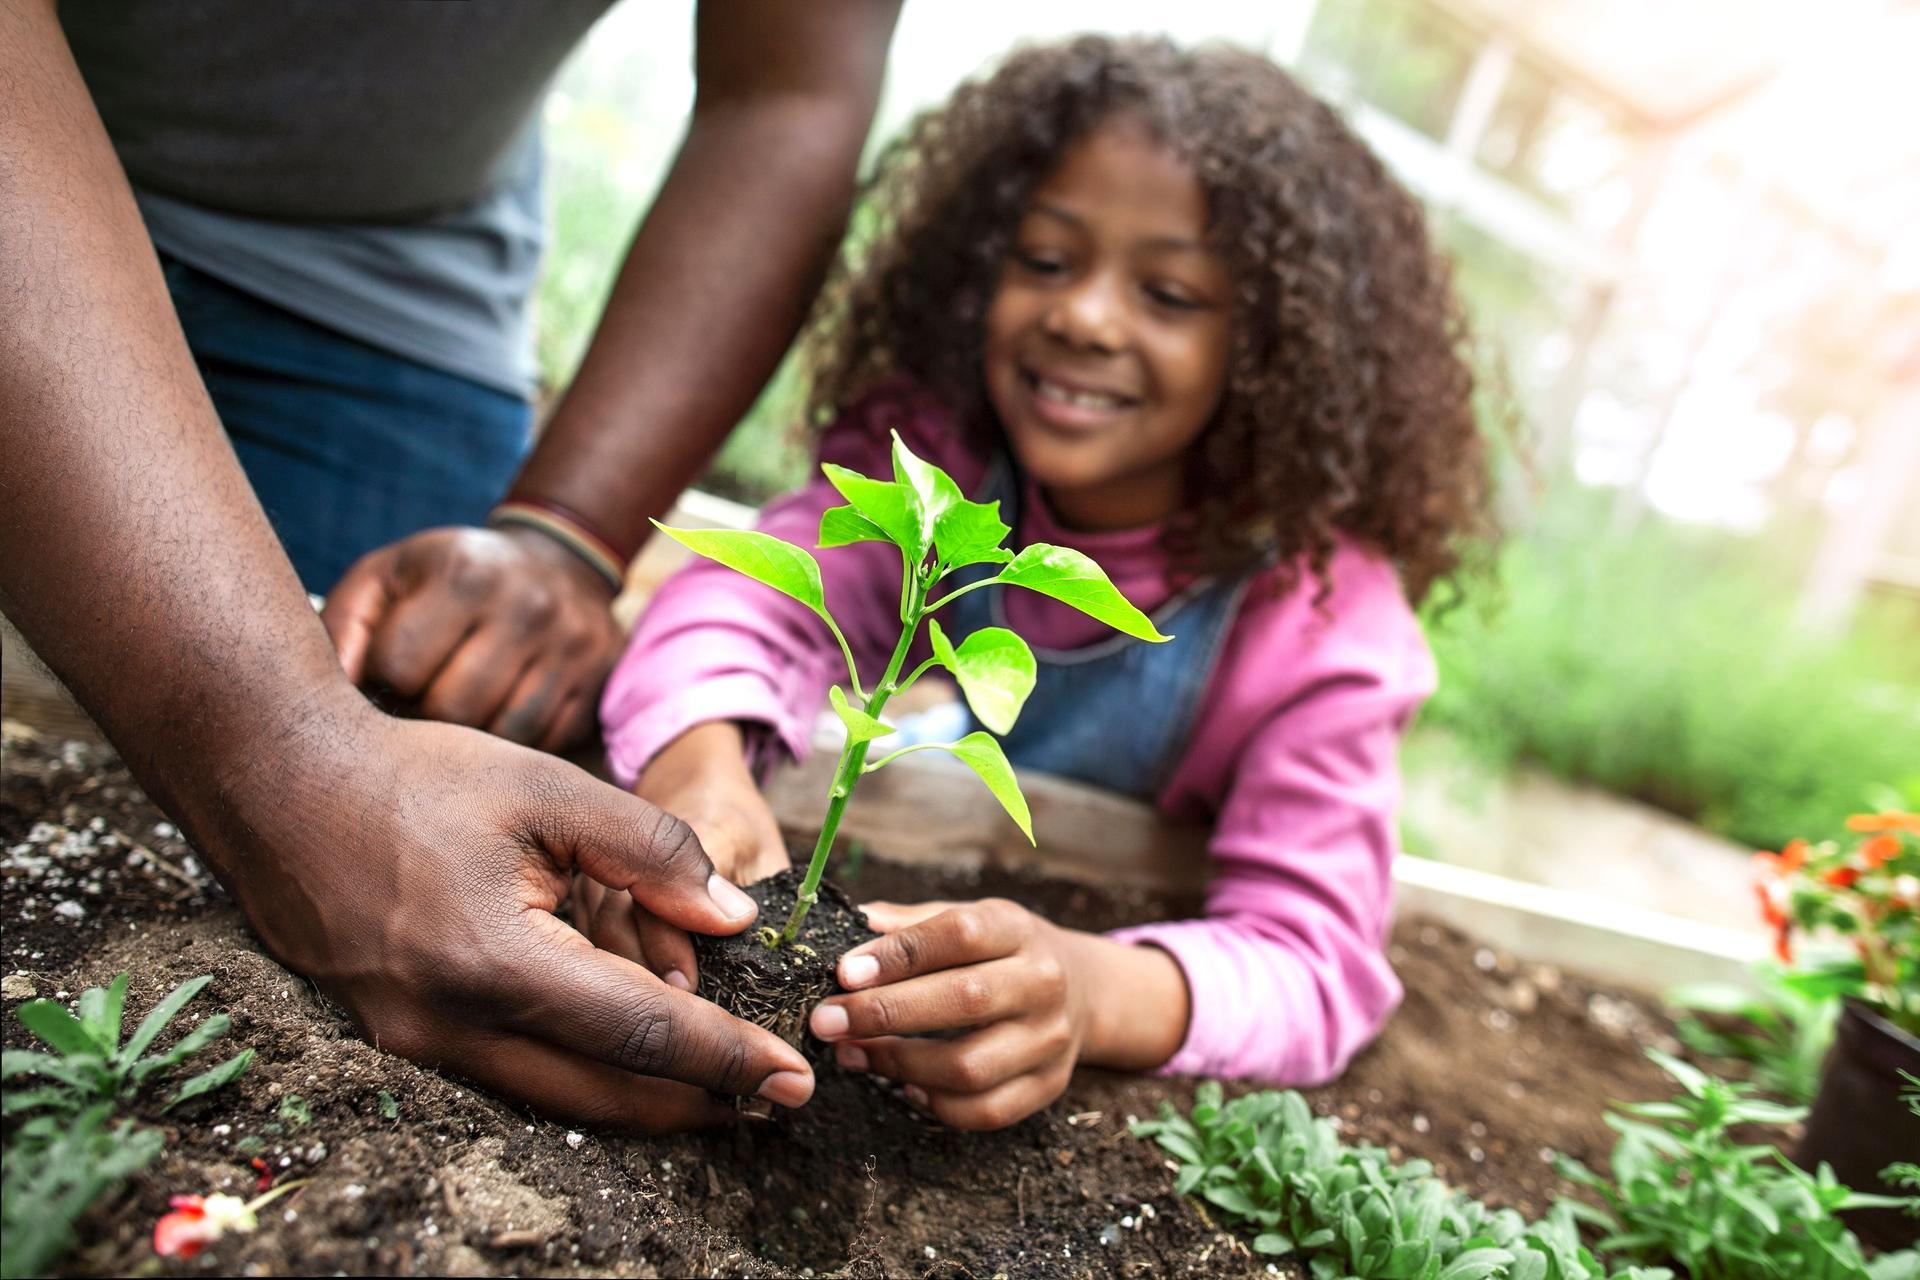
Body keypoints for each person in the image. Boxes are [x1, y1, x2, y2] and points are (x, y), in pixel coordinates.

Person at [0, 0, 897, 1127]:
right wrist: (282, 750)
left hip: (386, 286)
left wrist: (564, 534)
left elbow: (788, 93)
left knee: (450, 698)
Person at [590, 36, 1498, 1130]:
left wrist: (1087, 985)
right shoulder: (941, 471)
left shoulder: (1317, 622)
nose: (1085, 317)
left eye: (1167, 291)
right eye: (1046, 260)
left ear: (1269, 349)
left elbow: (1314, 960)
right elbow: (739, 602)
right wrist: (701, 780)